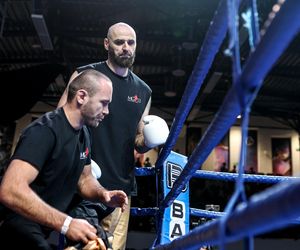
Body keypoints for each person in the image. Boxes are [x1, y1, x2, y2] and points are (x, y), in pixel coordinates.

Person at [57, 22, 169, 250]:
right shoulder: (85, 75)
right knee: (79, 246)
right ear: (107, 44)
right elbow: (60, 121)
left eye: (131, 42)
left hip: (120, 189)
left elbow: (138, 141)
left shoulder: (143, 90)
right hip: (83, 183)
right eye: (119, 42)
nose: (126, 47)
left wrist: (148, 141)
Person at [0, 69, 128, 250]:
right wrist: (67, 224)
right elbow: (10, 190)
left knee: (97, 240)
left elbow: (84, 179)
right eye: (104, 103)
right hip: (16, 223)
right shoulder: (45, 130)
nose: (107, 111)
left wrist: (103, 194)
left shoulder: (83, 132)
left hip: (44, 223)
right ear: (82, 96)